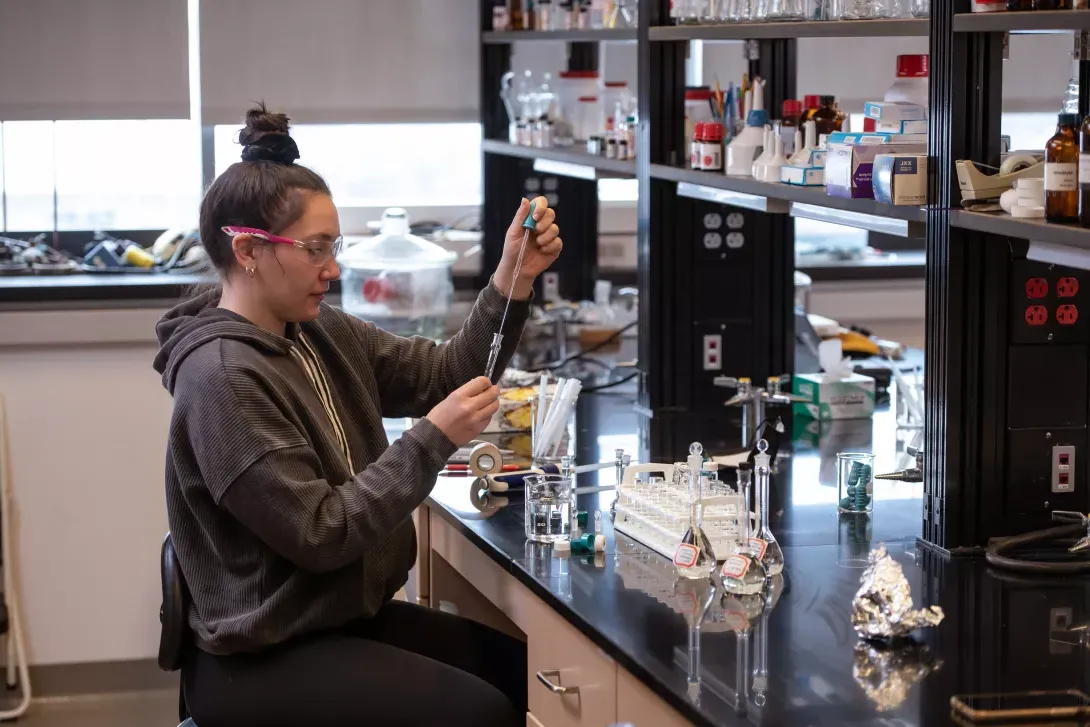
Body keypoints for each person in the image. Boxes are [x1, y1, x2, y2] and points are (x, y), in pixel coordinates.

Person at [152, 104, 562, 727]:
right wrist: (431, 441)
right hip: (264, 654)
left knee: (522, 674)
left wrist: (511, 280)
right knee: (480, 713)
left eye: (334, 245)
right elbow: (321, 534)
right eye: (314, 248)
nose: (334, 268)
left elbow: (444, 376)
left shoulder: (317, 332)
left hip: (334, 619)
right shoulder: (224, 380)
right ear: (249, 251)